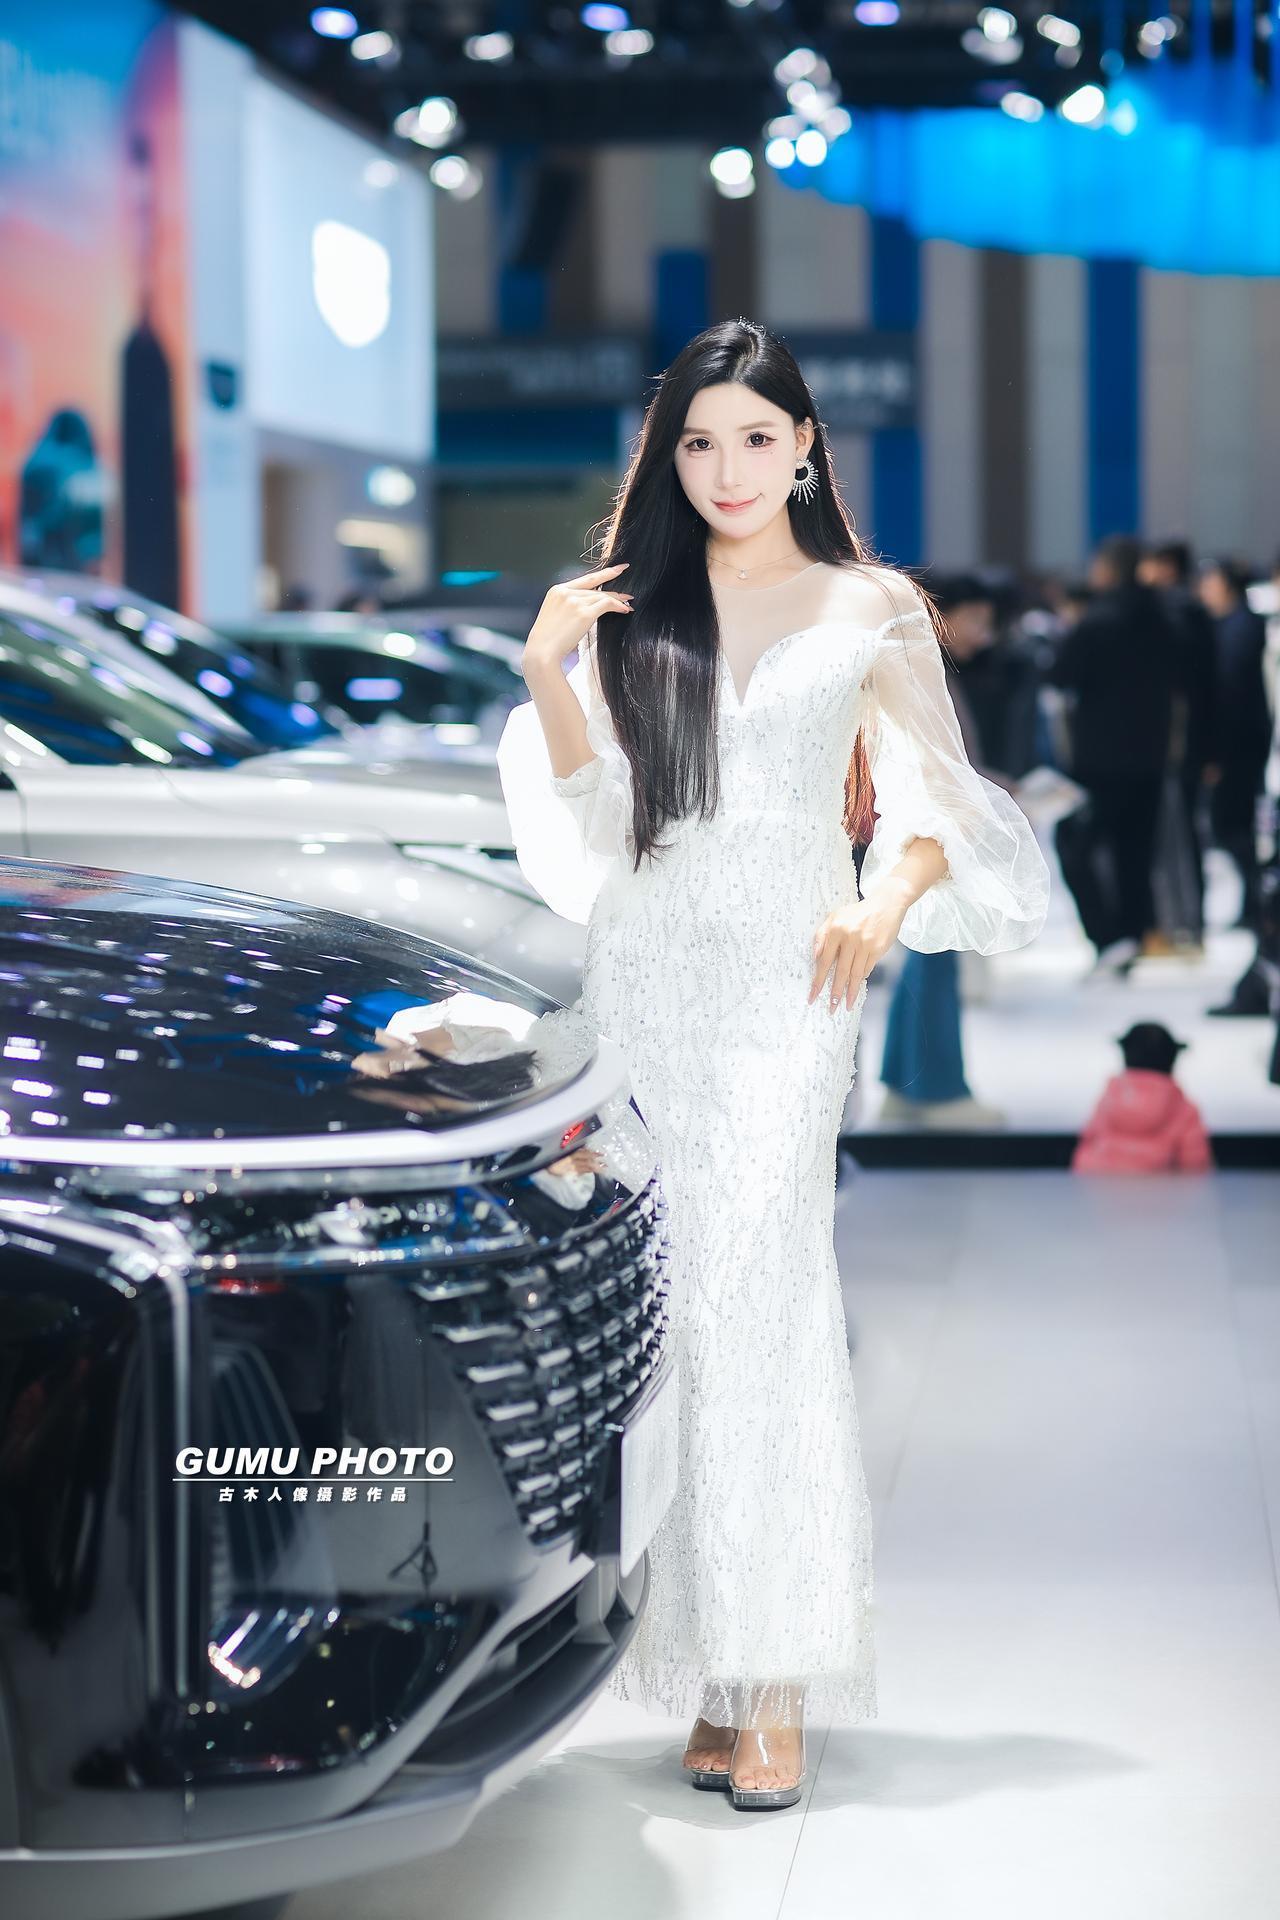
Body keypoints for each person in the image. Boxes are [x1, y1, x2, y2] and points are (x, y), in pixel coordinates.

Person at [495, 319, 1050, 1813]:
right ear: (667, 458)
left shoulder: (871, 605)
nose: (726, 469)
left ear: (805, 445)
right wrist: (549, 671)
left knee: (769, 1304)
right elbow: (602, 829)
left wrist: (880, 905)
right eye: (697, 442)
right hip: (650, 978)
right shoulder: (634, 607)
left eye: (754, 437)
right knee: (675, 1323)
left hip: (793, 986)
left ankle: (781, 1677)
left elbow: (939, 800)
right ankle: (714, 1666)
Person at [878, 572, 1022, 1128]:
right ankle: (935, 1089)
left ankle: (908, 1085)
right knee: (933, 954)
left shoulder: (920, 666)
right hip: (923, 831)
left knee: (927, 956)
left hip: (927, 828)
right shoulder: (912, 668)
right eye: (976, 619)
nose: (983, 633)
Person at [1045, 534, 1180, 975]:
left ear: (1107, 569)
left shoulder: (1096, 620)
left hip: (1101, 758)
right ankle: (1132, 935)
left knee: (1074, 842)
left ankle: (1107, 938)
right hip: (1151, 754)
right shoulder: (1162, 617)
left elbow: (1061, 675)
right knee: (1134, 852)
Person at [1137, 539, 1217, 946]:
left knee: (1178, 837)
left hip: (1176, 744)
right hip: (1177, 743)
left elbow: (1203, 687)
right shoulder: (1186, 613)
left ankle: (1183, 924)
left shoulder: (1177, 614)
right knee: (1178, 837)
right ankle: (1182, 923)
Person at [1196, 555, 1273, 932]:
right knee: (1234, 825)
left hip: (1240, 743)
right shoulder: (1233, 625)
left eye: (1209, 582)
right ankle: (1254, 902)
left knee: (1232, 825)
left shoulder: (1242, 628)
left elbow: (1233, 695)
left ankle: (1258, 902)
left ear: (1226, 585)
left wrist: (1217, 752)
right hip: (1243, 740)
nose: (1202, 589)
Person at [1071, 1021, 1213, 1175]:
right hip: (1160, 1188)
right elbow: (1195, 1166)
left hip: (1099, 1186)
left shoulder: (1109, 1099)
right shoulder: (1183, 1109)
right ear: (1172, 1058)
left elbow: (1087, 1144)